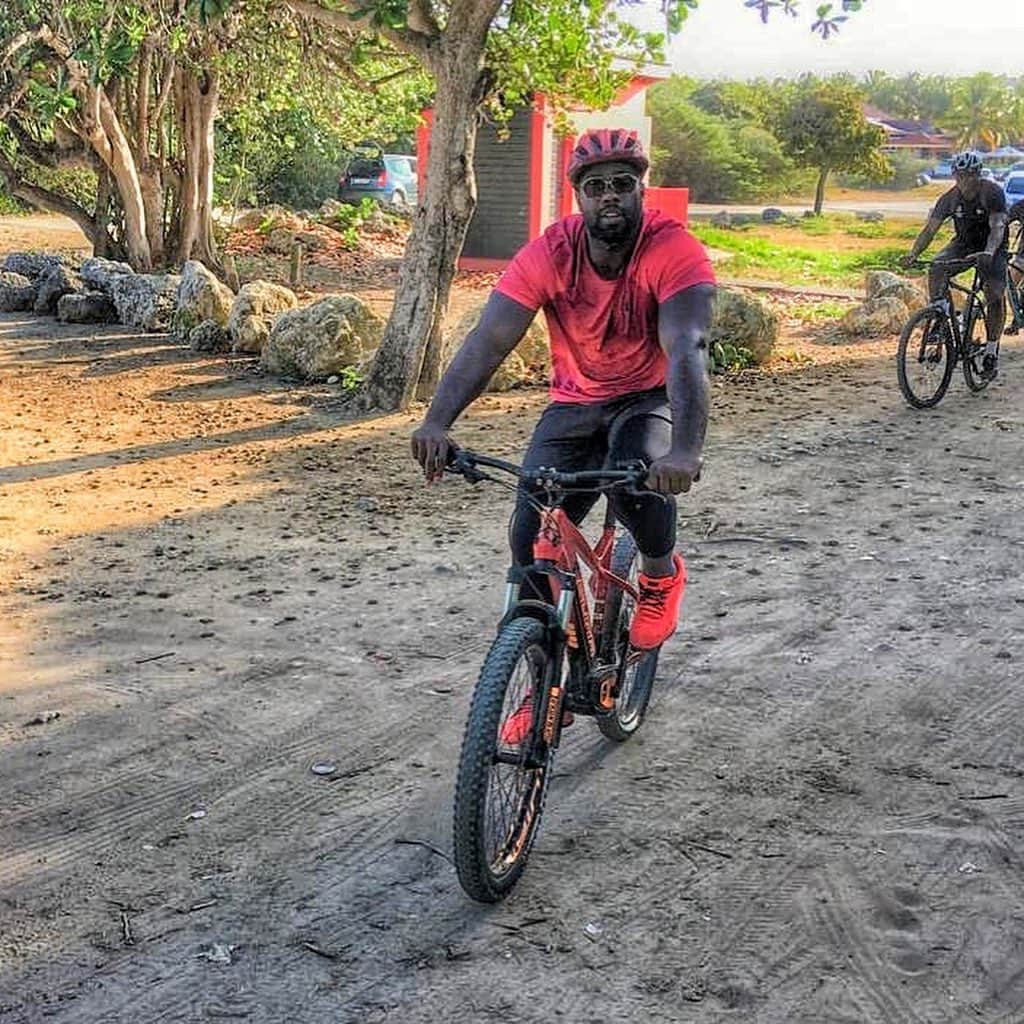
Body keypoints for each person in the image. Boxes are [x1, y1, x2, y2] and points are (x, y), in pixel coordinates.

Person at [411, 128, 715, 652]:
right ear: (579, 196)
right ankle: (542, 669)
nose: (609, 195)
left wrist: (685, 450)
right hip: (575, 402)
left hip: (646, 397)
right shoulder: (551, 252)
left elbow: (688, 345)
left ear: (642, 188)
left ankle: (661, 576)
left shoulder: (674, 250)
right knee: (530, 531)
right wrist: (437, 421)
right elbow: (490, 339)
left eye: (622, 182)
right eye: (595, 187)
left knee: (636, 482)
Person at [902, 150, 1008, 376]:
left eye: (970, 175)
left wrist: (989, 252)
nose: (965, 180)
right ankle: (942, 314)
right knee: (937, 266)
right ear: (954, 175)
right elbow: (930, 230)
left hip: (992, 246)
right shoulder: (949, 198)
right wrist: (913, 254)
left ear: (978, 174)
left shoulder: (992, 193)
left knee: (995, 296)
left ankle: (990, 351)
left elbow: (998, 226)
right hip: (964, 243)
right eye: (960, 175)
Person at [1005, 195, 1024, 334]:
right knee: (1009, 282)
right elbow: (1003, 221)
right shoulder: (1021, 206)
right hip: (1022, 256)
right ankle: (1017, 319)